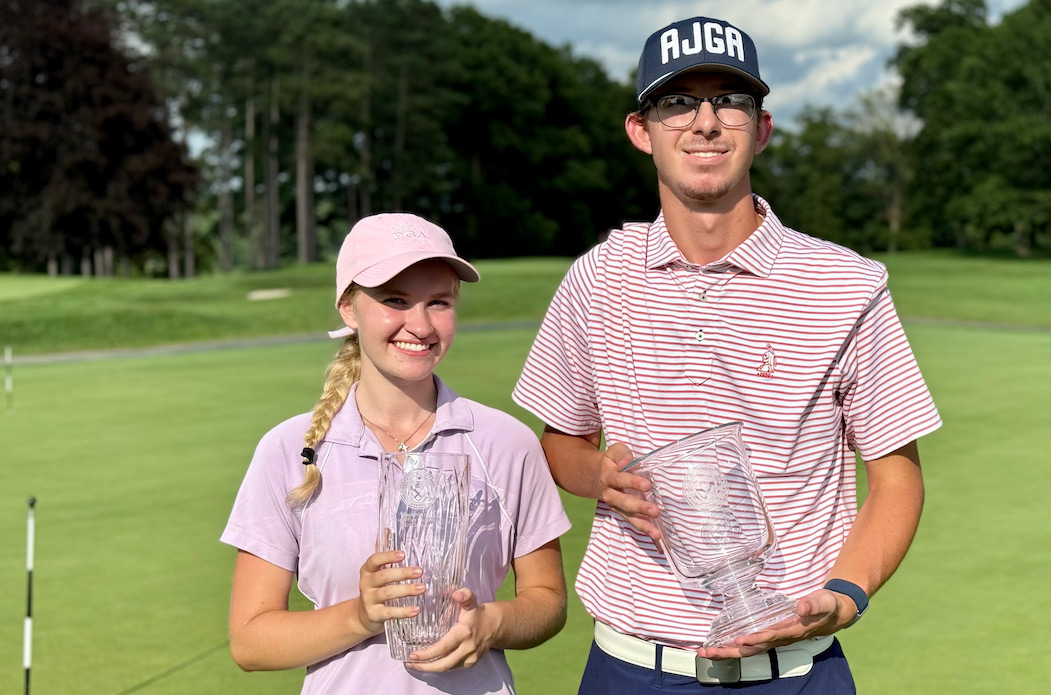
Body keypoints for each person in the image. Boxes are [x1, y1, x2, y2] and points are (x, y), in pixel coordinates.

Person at [513, 16, 941, 694]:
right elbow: (561, 441)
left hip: (796, 668)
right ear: (640, 130)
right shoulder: (598, 277)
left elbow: (897, 477)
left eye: (730, 101)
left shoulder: (846, 284)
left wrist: (848, 591)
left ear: (761, 128)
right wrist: (599, 474)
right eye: (678, 101)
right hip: (631, 666)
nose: (705, 121)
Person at [222, 213, 571, 695]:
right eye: (395, 301)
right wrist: (360, 616)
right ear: (348, 307)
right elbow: (250, 642)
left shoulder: (506, 441)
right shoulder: (289, 449)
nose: (421, 325)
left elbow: (547, 601)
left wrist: (492, 623)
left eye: (439, 302)